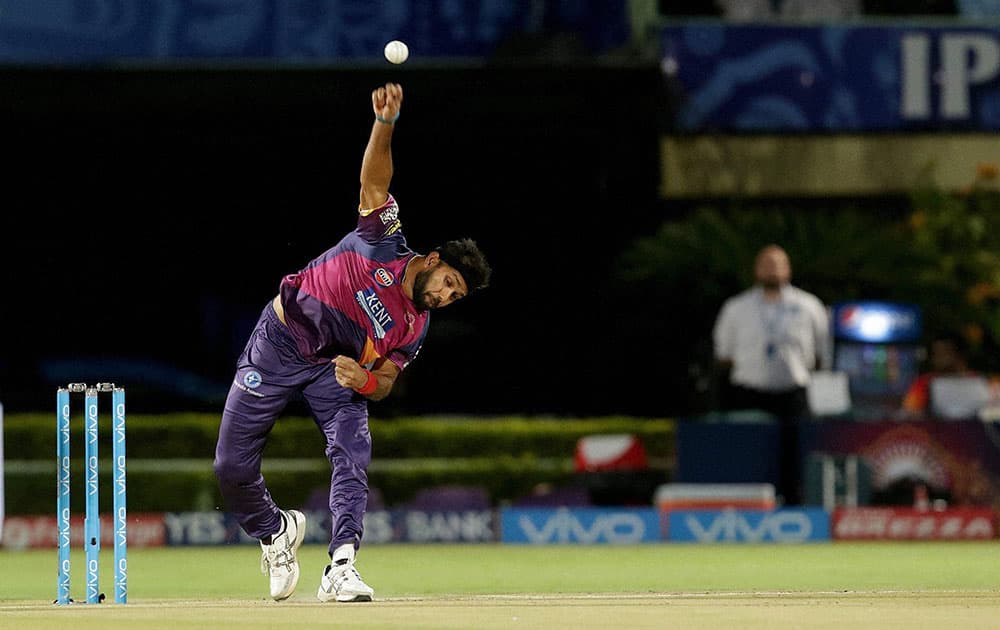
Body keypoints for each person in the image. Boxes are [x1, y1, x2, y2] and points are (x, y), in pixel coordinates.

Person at [213, 83, 491, 603]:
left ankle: (340, 565)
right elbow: (374, 178)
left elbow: (385, 381)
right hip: (278, 341)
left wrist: (365, 379)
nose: (448, 297)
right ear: (432, 261)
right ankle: (275, 533)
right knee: (230, 466)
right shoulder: (382, 239)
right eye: (449, 283)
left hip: (334, 371)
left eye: (457, 296)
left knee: (353, 452)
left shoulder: (415, 327)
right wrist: (384, 123)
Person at [712, 244, 829, 505]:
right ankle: (745, 504)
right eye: (766, 264)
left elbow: (823, 351)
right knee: (747, 452)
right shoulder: (736, 307)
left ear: (788, 269)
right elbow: (724, 353)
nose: (772, 270)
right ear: (756, 269)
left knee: (795, 453)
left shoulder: (808, 305)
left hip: (794, 392)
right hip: (748, 391)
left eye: (778, 264)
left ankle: (795, 504)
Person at [900, 332, 975, 417]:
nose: (937, 359)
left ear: (960, 354)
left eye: (943, 353)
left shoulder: (983, 383)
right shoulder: (924, 383)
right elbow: (909, 412)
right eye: (935, 354)